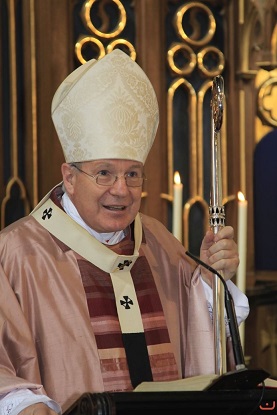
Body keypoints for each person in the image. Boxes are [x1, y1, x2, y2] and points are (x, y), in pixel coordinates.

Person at [0, 49, 248, 415]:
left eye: (133, 174)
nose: (121, 190)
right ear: (69, 177)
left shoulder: (159, 241)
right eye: (104, 173)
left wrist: (213, 281)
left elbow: (200, 341)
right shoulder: (16, 252)